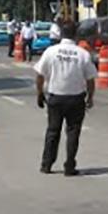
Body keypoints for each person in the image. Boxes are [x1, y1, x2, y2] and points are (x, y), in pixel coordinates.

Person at [34, 20, 97, 176]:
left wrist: (39, 93)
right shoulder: (82, 54)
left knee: (53, 131)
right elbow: (90, 79)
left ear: (61, 34)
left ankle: (46, 164)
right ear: (76, 35)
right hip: (76, 99)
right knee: (73, 133)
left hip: (56, 97)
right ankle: (69, 166)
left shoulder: (51, 51)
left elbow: (40, 75)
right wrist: (90, 97)